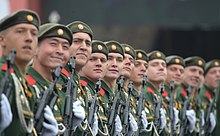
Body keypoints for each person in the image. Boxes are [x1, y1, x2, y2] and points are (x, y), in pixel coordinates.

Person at [26, 23, 85, 135]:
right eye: (53, 44)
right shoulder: (24, 85)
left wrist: (75, 128)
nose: (60, 51)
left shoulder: (61, 94)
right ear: (35, 48)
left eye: (65, 47)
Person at [0, 9, 41, 135]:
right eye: (20, 31)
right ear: (2, 40)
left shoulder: (29, 88)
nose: (29, 38)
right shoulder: (2, 77)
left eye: (34, 34)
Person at [64, 21, 93, 135]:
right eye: (77, 41)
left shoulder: (83, 90)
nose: (84, 47)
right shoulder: (55, 81)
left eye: (88, 43)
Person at [79, 40, 109, 135]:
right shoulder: (78, 89)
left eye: (103, 60)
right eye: (93, 59)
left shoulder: (100, 94)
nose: (99, 63)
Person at [176, 56, 205, 135]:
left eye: (200, 73)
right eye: (193, 70)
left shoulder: (194, 97)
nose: (197, 75)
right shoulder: (179, 93)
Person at [129, 49, 152, 135]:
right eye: (137, 65)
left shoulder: (145, 99)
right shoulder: (125, 97)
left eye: (146, 66)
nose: (143, 69)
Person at [145, 50, 167, 135]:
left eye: (164, 65)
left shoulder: (160, 95)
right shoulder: (145, 93)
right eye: (154, 65)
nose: (161, 68)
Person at [200, 59, 219, 135]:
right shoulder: (203, 94)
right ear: (204, 77)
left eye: (219, 72)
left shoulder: (213, 94)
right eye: (213, 72)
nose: (218, 75)